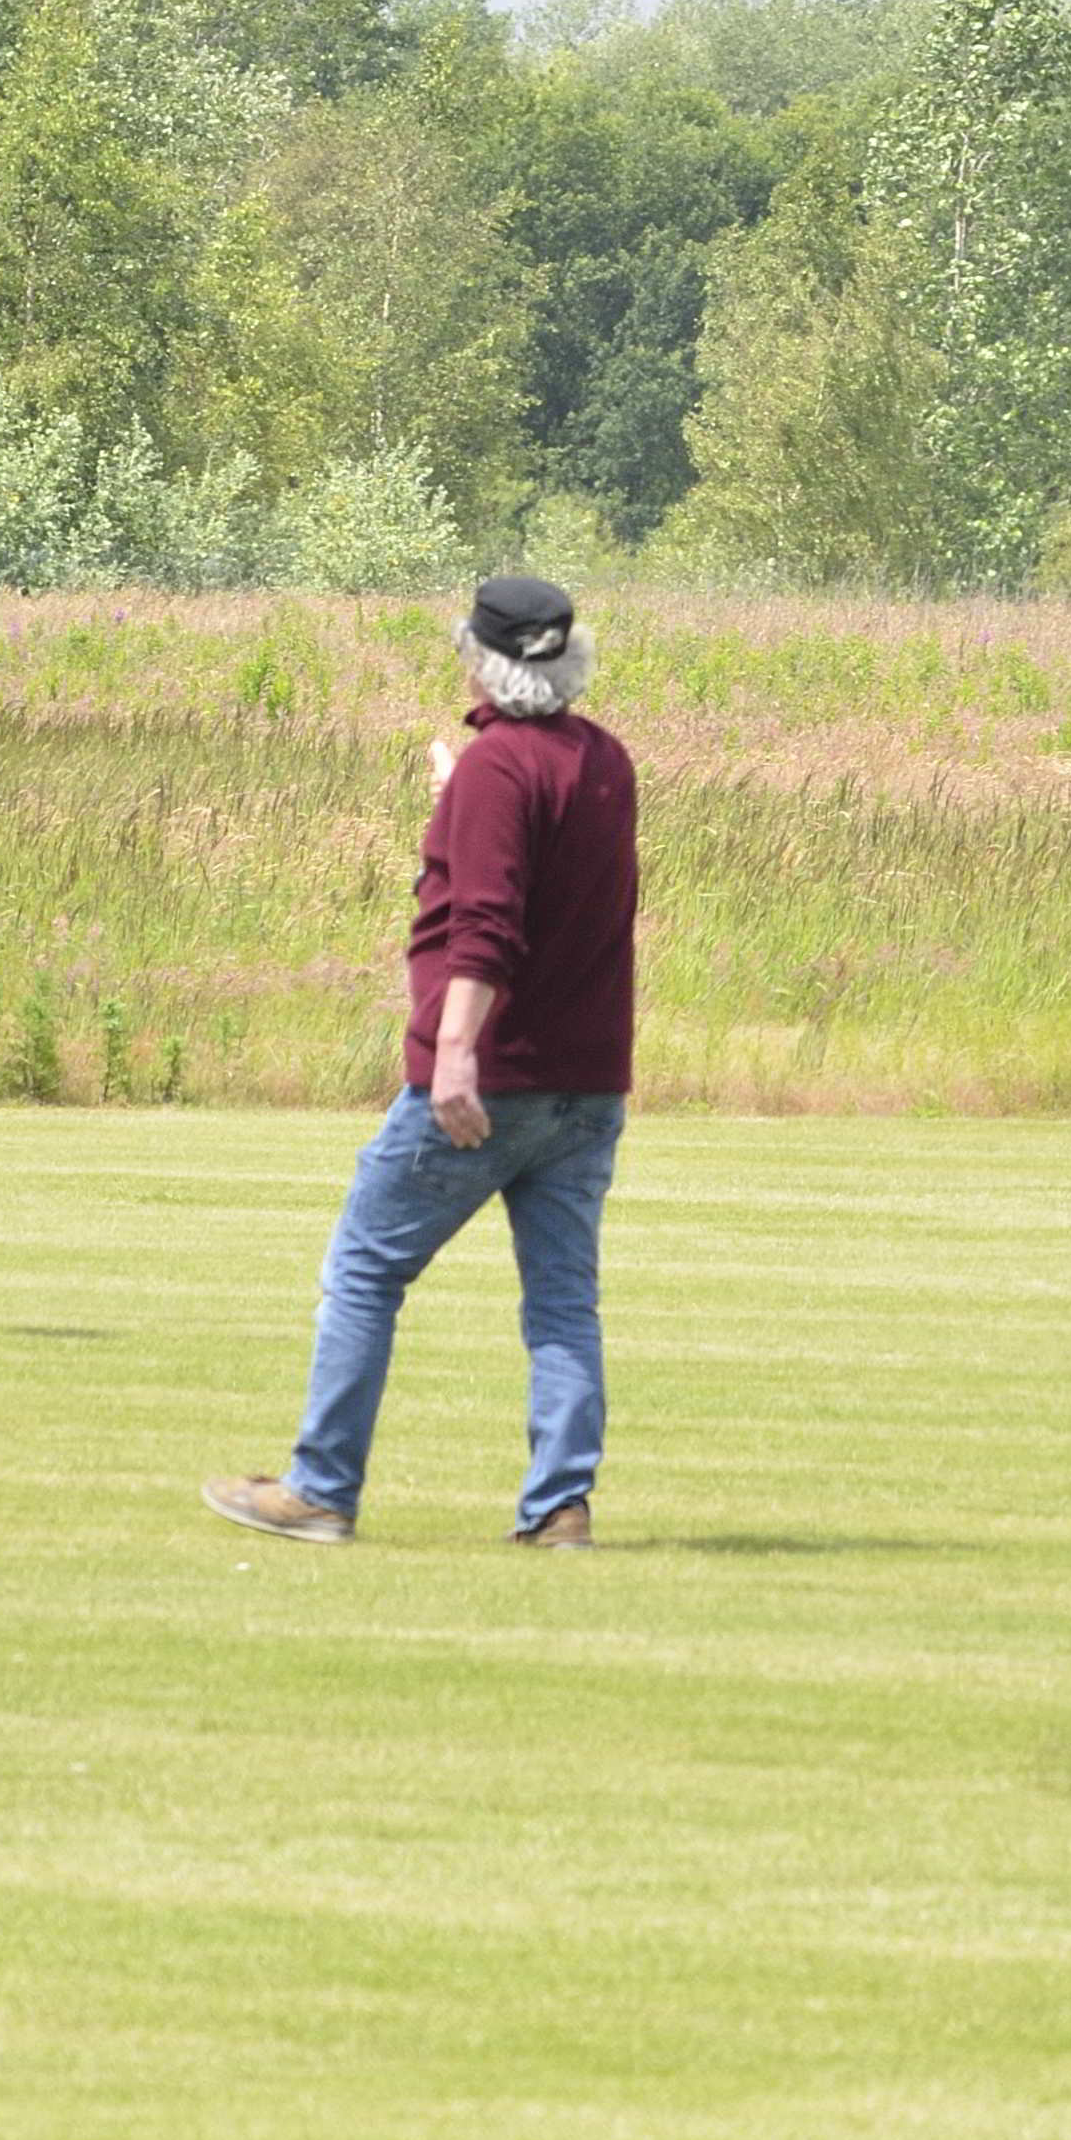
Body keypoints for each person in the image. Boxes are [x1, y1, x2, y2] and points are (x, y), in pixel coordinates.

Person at [206, 574, 639, 1550]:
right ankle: (559, 1507)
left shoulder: (497, 767)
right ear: (566, 661)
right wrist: (461, 805)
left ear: (478, 659)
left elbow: (486, 928)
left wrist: (452, 1057)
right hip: (587, 1080)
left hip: (493, 1076)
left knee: (364, 1271)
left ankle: (320, 1491)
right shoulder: (602, 758)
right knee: (563, 1301)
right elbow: (550, 872)